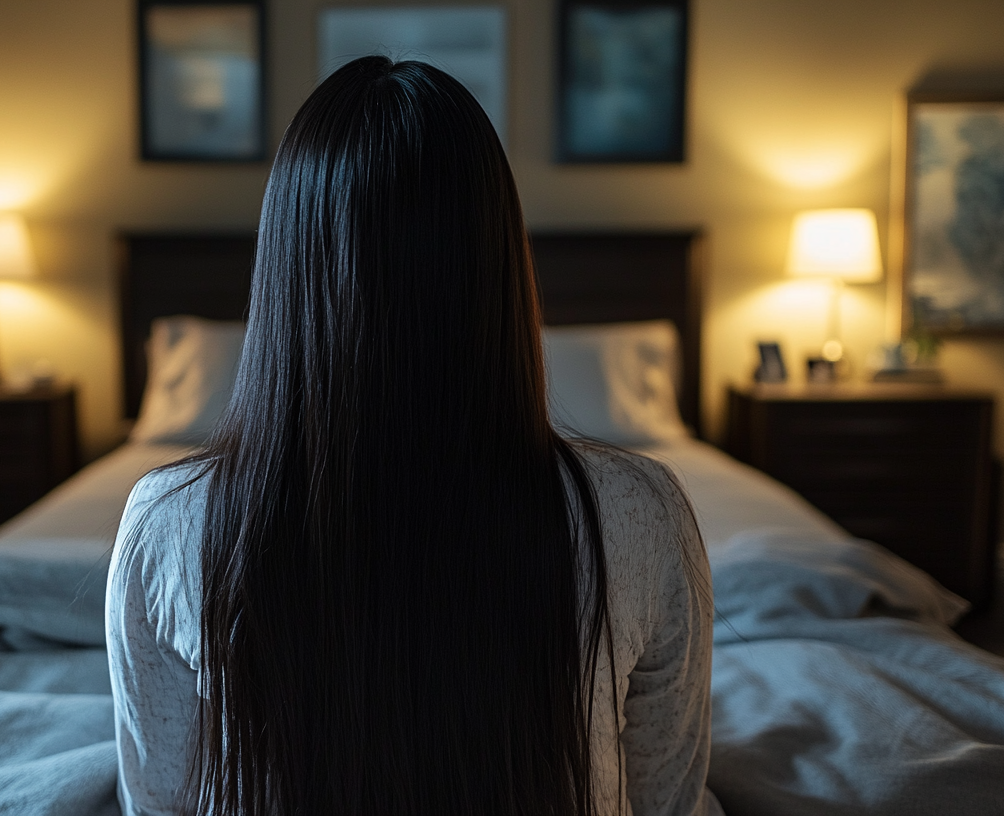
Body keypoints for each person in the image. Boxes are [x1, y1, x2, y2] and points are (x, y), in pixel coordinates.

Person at [107, 56, 718, 816]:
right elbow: (667, 800)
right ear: (498, 268)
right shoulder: (642, 513)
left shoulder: (165, 523)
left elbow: (159, 804)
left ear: (285, 274)